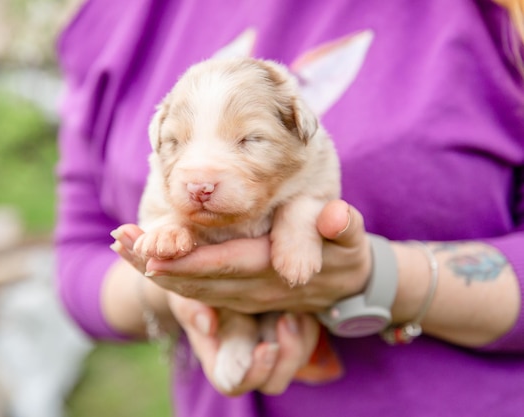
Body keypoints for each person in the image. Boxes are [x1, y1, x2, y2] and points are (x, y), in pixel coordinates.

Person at [55, 0, 524, 416]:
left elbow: (314, 186)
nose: (200, 176)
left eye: (250, 140)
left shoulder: (493, 17)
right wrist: (175, 285)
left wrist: (378, 278)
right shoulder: (115, 14)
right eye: (175, 143)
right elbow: (78, 261)